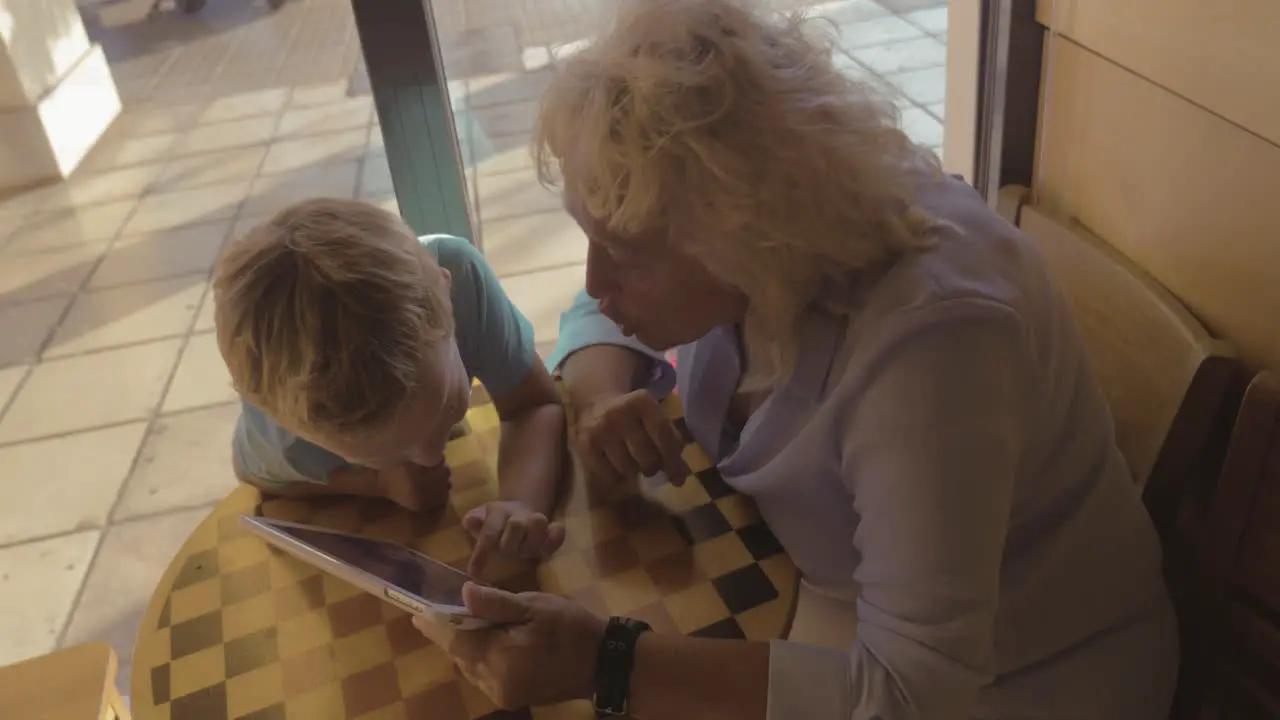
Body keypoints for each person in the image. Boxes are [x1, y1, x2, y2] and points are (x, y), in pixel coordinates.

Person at [411, 1, 1180, 718]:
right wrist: (604, 395)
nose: (592, 281)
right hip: (828, 602)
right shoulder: (779, 235)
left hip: (1033, 674)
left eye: (623, 255)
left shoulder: (934, 351)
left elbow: (914, 691)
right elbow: (598, 309)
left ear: (740, 235)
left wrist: (606, 663)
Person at [213, 198, 566, 574]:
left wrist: (521, 502)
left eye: (447, 405)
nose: (433, 457)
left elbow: (535, 405)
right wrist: (376, 483)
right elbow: (255, 473)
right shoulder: (283, 431)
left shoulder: (461, 277)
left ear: (448, 294)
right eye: (386, 454)